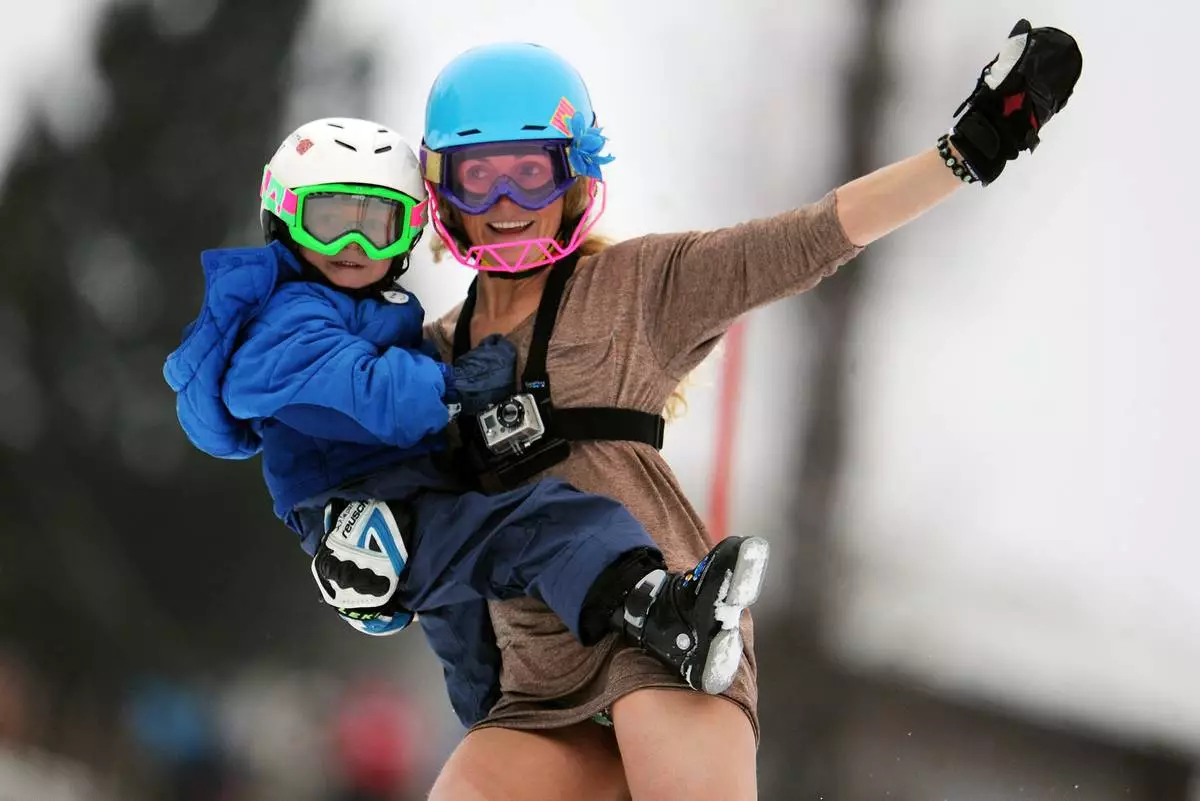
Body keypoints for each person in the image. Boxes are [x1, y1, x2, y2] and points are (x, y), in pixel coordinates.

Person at [410, 21, 1082, 801]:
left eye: (530, 174)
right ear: (441, 192)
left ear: (575, 181)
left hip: (665, 637)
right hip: (536, 683)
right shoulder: (421, 361)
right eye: (477, 177)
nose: (504, 204)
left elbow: (811, 235)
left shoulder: (635, 288)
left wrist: (964, 152)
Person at [162, 116, 770, 727]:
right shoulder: (284, 319)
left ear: (406, 234)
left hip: (402, 497)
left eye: (377, 225)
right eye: (329, 221)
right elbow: (367, 391)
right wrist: (454, 387)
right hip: (371, 505)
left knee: (478, 647)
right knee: (536, 521)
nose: (354, 247)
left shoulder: (354, 307)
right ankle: (659, 609)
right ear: (283, 218)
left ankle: (508, 726)